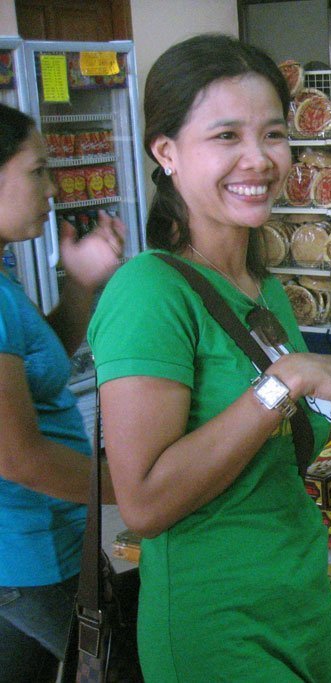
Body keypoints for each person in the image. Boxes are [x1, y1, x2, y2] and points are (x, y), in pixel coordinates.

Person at [87, 34, 331, 682]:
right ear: (166, 152)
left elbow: (289, 436)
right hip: (217, 625)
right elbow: (143, 502)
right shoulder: (148, 292)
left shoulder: (259, 285)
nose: (258, 158)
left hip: (298, 604)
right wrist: (284, 379)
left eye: (273, 134)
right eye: (226, 136)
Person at [0, 104, 123, 682]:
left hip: (29, 552)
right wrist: (133, 489)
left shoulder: (4, 282)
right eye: (37, 171)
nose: (52, 188)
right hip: (33, 554)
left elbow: (37, 362)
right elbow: (18, 458)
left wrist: (80, 284)